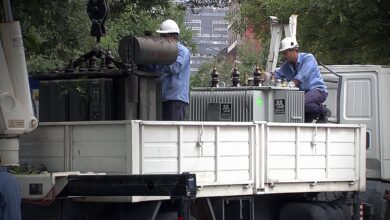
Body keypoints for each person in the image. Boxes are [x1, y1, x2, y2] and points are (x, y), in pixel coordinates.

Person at [275, 37, 331, 123]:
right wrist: (265, 76)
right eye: (283, 54)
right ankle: (312, 112)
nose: (284, 56)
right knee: (302, 121)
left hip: (318, 91)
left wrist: (292, 84)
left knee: (301, 102)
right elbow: (276, 75)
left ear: (294, 50)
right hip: (303, 95)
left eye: (285, 53)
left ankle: (324, 112)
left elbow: (302, 75)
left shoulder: (308, 58)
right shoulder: (286, 66)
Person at [151, 19, 191, 121]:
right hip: (162, 98)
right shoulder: (161, 51)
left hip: (176, 99)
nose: (162, 39)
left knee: (172, 132)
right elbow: (153, 69)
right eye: (161, 36)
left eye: (164, 36)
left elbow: (175, 67)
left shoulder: (182, 51)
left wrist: (160, 56)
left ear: (173, 37)